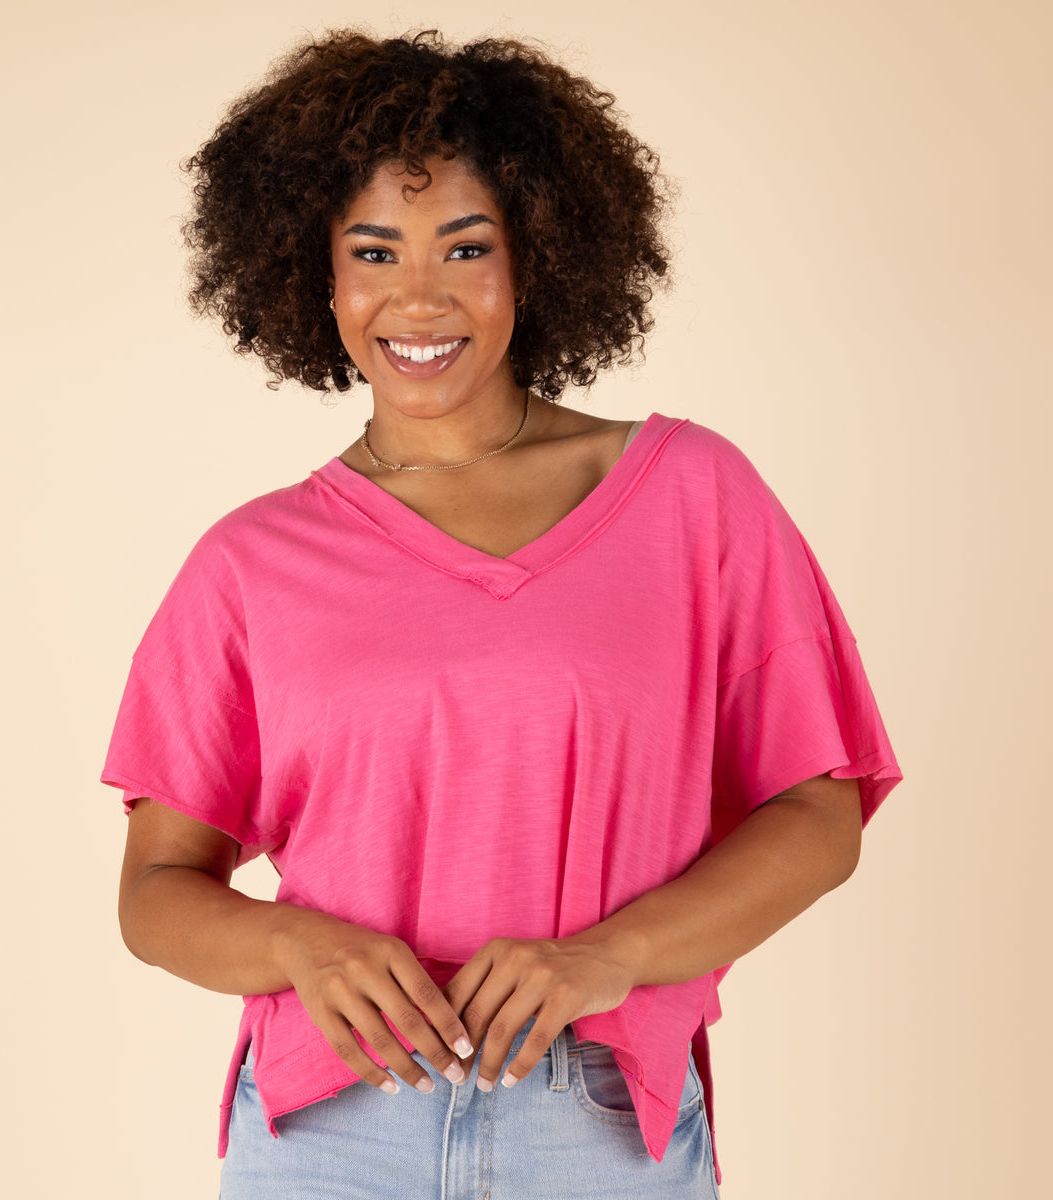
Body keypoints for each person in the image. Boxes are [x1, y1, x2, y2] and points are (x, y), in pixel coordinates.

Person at [103, 29, 900, 1199]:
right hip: (331, 1131)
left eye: (465, 248)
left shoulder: (691, 496)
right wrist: (293, 944)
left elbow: (820, 814)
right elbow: (154, 890)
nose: (417, 298)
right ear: (314, 273)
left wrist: (609, 958)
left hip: (595, 1122)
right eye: (374, 250)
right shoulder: (252, 561)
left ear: (536, 259)